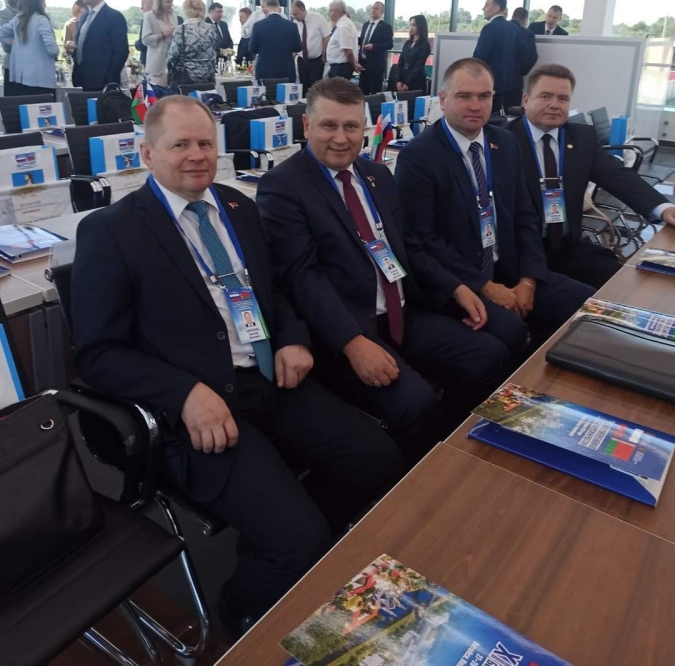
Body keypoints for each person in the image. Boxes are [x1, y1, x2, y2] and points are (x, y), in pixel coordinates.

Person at [70, 95, 404, 635]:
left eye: (205, 143)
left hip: (270, 379)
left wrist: (292, 338)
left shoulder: (237, 207)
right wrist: (184, 393)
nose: (196, 155)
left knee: (380, 460)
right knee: (297, 538)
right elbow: (97, 353)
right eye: (180, 144)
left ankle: (296, 551)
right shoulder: (111, 231)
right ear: (147, 154)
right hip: (198, 407)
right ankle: (242, 612)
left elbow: (275, 293)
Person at [257, 78, 520, 461]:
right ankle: (415, 476)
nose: (341, 138)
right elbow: (302, 278)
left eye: (351, 126)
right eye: (329, 125)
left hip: (403, 312)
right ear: (307, 125)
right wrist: (352, 342)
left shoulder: (376, 175)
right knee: (416, 402)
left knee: (490, 356)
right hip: (347, 328)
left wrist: (457, 287)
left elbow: (408, 247)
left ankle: (457, 451)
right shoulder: (283, 187)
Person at [395, 58, 594, 349]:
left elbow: (525, 215)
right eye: (464, 96)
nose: (475, 106)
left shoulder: (504, 142)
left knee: (585, 303)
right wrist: (484, 286)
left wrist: (529, 280)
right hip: (459, 280)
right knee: (511, 331)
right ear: (443, 99)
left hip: (509, 269)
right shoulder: (419, 156)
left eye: (484, 96)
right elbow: (424, 241)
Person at [510, 63, 675, 288]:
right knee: (575, 298)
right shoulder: (503, 141)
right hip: (522, 253)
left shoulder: (581, 137)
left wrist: (663, 208)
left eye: (563, 99)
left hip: (567, 246)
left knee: (624, 285)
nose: (554, 105)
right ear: (526, 100)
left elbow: (618, 176)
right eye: (545, 96)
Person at [473, 0, 537, 113]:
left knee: (488, 117)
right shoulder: (514, 28)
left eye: (486, 5)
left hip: (490, 85)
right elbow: (524, 56)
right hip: (512, 86)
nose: (483, 8)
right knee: (510, 118)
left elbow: (479, 57)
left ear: (496, 8)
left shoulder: (489, 28)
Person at [69, 0, 129, 91]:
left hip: (102, 83)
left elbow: (121, 51)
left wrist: (110, 78)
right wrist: (73, 50)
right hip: (81, 79)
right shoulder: (85, 17)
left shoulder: (113, 17)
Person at [0, 0, 59, 95]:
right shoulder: (41, 20)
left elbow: (1, 32)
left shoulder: (18, 19)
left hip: (22, 77)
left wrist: (15, 43)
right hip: (42, 78)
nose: (45, 2)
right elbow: (53, 50)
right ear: (39, 1)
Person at [166, 0, 218, 89]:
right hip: (207, 77)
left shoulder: (180, 30)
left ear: (186, 10)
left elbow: (173, 56)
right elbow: (214, 53)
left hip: (185, 77)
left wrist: (169, 71)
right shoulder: (211, 29)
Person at [249, 0, 301, 85]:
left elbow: (252, 49)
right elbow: (298, 48)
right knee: (286, 93)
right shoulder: (292, 26)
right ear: (279, 9)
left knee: (265, 93)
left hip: (265, 69)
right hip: (286, 69)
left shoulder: (258, 26)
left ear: (266, 9)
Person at [291, 0, 330, 94]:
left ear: (303, 10)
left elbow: (326, 36)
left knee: (315, 88)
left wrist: (323, 54)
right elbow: (295, 41)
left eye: (296, 14)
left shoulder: (318, 18)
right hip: (302, 60)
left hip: (316, 59)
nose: (294, 17)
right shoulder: (295, 24)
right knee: (303, 87)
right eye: (292, 15)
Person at [142, 0, 178, 87]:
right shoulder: (149, 16)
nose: (171, 4)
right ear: (160, 2)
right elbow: (145, 40)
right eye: (168, 2)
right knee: (158, 94)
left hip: (172, 64)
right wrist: (163, 35)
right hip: (157, 66)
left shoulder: (173, 16)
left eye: (172, 1)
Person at [0, 0, 31, 89]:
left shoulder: (33, 14)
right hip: (14, 69)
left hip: (34, 69)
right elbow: (6, 44)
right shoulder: (4, 15)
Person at [357, 2, 394, 95]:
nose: (373, 10)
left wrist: (374, 46)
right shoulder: (366, 24)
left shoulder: (386, 27)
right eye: (372, 8)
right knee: (362, 91)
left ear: (382, 12)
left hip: (376, 66)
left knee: (374, 93)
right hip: (363, 64)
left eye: (376, 9)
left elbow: (389, 44)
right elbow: (362, 40)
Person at [396, 15, 431, 92]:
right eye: (410, 25)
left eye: (414, 25)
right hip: (403, 79)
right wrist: (399, 80)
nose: (411, 28)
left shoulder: (425, 45)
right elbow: (401, 62)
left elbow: (418, 66)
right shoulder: (408, 43)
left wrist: (407, 83)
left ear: (420, 26)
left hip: (416, 81)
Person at [326, 0, 359, 80]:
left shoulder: (344, 26)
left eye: (330, 11)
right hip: (338, 67)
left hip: (341, 68)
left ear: (337, 12)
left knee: (338, 88)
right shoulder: (342, 24)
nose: (328, 14)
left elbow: (348, 50)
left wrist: (354, 65)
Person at [510, 7, 538, 75]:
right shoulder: (527, 34)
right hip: (515, 76)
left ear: (512, 16)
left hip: (494, 76)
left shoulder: (500, 29)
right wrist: (523, 72)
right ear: (525, 19)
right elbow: (532, 57)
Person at [134, 0, 155, 67]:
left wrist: (136, 43)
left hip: (149, 62)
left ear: (152, 4)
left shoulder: (146, 21)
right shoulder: (177, 19)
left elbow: (142, 44)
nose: (141, 7)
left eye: (143, 4)